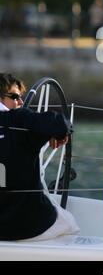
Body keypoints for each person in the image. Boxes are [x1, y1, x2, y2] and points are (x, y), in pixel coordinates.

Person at [0, 73, 79, 241]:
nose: (21, 103)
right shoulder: (19, 120)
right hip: (28, 226)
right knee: (70, 225)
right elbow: (60, 123)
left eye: (21, 98)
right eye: (15, 97)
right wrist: (55, 133)